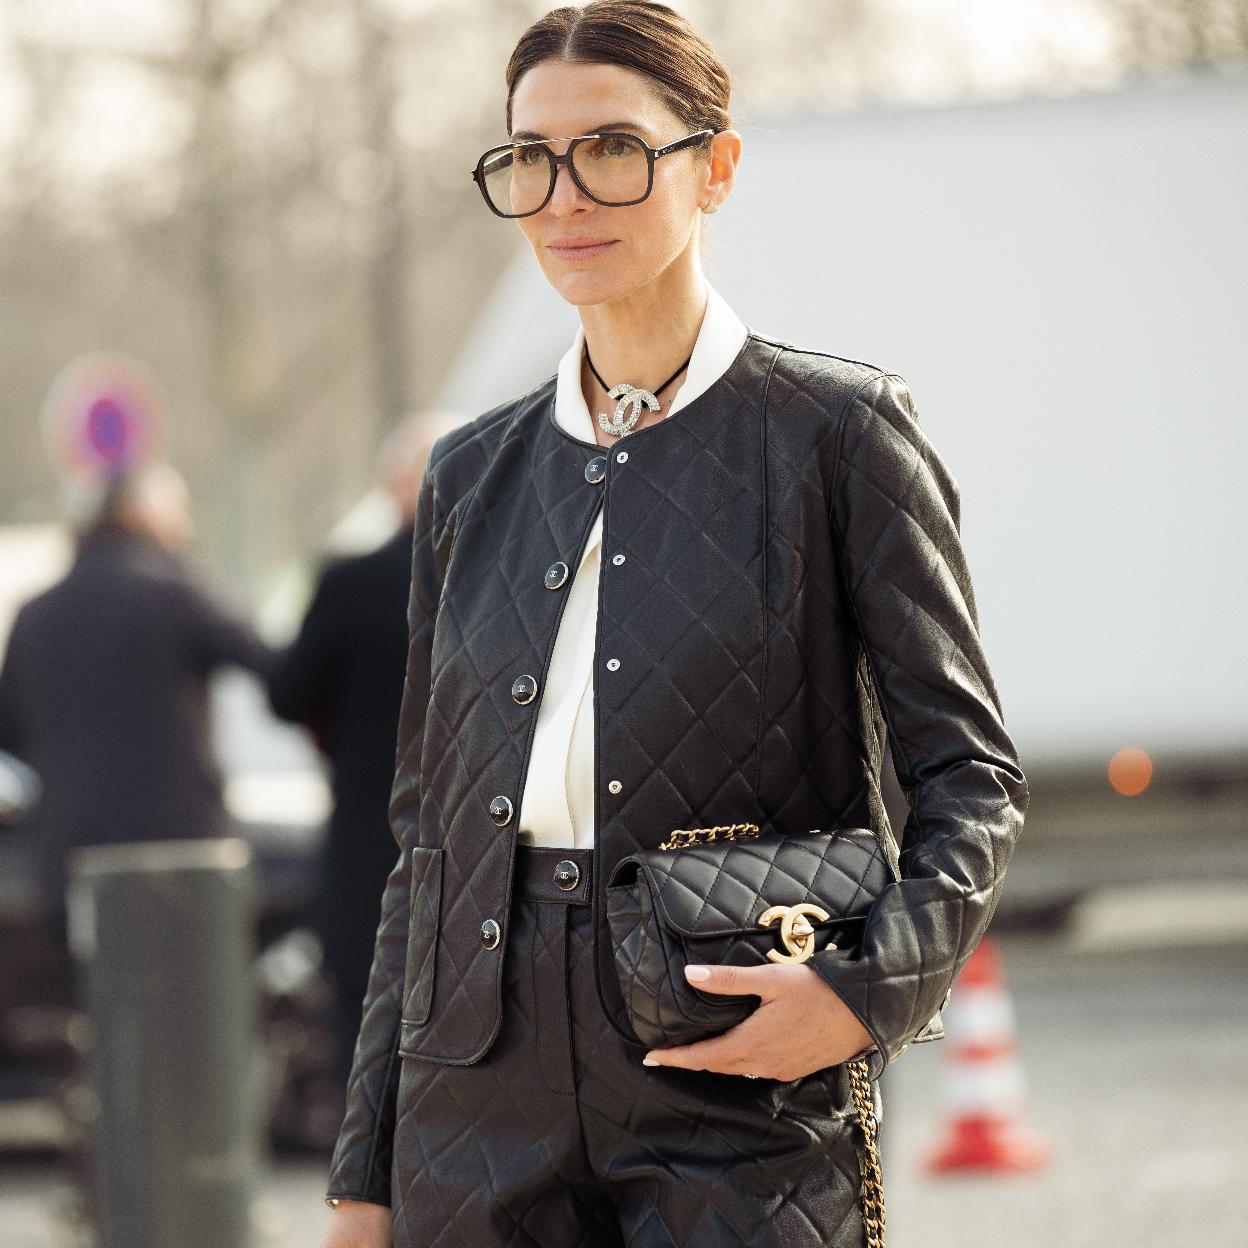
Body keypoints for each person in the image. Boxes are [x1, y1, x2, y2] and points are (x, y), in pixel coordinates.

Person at [322, 4, 1029, 1246]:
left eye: (612, 148)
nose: (564, 195)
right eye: (528, 158)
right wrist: (363, 1175)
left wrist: (863, 996)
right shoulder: (469, 476)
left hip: (732, 1066)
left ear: (716, 165)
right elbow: (424, 845)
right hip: (475, 1088)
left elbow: (971, 778)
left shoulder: (839, 437)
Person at [0, 462, 278, 956]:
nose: (185, 530)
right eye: (177, 514)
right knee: (187, 1013)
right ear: (139, 513)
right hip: (180, 858)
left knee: (105, 1008)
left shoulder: (35, 613)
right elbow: (273, 667)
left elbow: (9, 729)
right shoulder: (176, 594)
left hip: (71, 857)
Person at [267, 412, 463, 1101]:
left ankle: (366, 1191)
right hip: (482, 846)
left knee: (366, 1035)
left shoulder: (349, 584)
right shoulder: (511, 577)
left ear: (391, 490)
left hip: (370, 839)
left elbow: (287, 695)